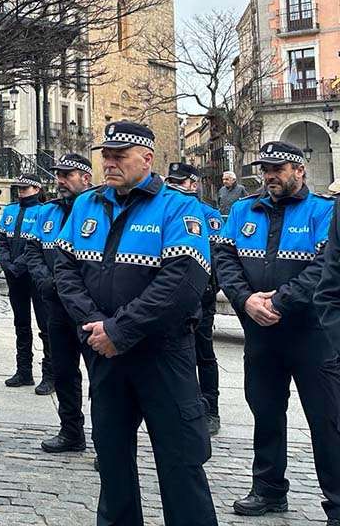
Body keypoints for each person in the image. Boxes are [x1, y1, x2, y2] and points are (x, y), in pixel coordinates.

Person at [54, 120, 217, 526]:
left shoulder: (178, 207)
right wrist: (95, 323)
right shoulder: (87, 204)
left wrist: (120, 330)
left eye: (119, 156)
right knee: (111, 459)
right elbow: (65, 269)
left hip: (161, 353)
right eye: (106, 156)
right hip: (105, 353)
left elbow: (182, 283)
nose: (109, 163)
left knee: (181, 461)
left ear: (146, 158)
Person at [216, 141, 340, 522]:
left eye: (277, 168)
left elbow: (324, 267)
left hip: (311, 334)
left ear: (299, 170)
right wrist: (245, 300)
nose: (269, 175)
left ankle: (337, 503)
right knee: (266, 413)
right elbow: (224, 258)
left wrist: (279, 302)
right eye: (265, 169)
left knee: (328, 420)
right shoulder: (242, 210)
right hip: (261, 334)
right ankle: (268, 489)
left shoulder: (323, 210)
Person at [22, 153, 93, 455]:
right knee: (63, 372)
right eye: (58, 175)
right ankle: (71, 431)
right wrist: (45, 281)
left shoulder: (100, 208)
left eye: (67, 175)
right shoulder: (46, 211)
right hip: (56, 306)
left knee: (102, 379)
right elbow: (32, 250)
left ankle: (109, 443)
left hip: (90, 309)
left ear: (86, 178)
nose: (60, 180)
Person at [165, 161, 224, 436]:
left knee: (203, 352)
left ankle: (211, 409)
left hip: (201, 295)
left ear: (193, 184)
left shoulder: (209, 214)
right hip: (170, 297)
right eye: (172, 182)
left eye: (181, 182)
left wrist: (211, 287)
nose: (175, 187)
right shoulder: (164, 210)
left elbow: (218, 256)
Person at [0, 174, 52, 394]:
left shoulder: (43, 211)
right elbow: (2, 240)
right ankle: (24, 370)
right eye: (19, 188)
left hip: (35, 276)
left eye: (25, 188)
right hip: (14, 276)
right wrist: (6, 263)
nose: (21, 192)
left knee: (45, 326)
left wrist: (19, 265)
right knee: (21, 324)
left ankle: (50, 374)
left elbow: (35, 246)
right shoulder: (10, 210)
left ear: (36, 189)